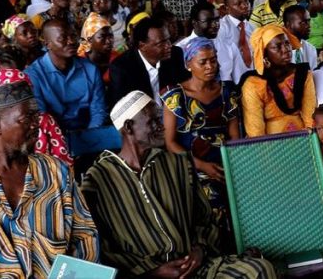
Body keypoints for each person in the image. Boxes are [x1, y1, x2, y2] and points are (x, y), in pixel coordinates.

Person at [81, 92, 278, 276]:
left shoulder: (178, 164)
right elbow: (100, 248)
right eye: (154, 121)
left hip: (195, 266)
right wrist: (153, 273)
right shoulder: (98, 180)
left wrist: (199, 250)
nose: (162, 126)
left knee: (258, 270)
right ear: (129, 128)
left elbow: (205, 220)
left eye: (160, 119)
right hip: (147, 276)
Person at [0, 72, 99, 277]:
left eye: (36, 116)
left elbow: (85, 237)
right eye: (27, 118)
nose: (37, 124)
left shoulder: (56, 172)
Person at [162, 36, 239, 233]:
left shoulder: (226, 92)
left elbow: (234, 136)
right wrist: (203, 165)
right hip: (191, 166)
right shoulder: (175, 97)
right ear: (189, 64)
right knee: (210, 202)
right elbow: (170, 143)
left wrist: (233, 166)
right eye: (202, 62)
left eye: (213, 60)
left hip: (225, 163)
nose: (210, 66)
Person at [25, 19, 120, 159]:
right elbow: (42, 118)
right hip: (54, 138)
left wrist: (89, 139)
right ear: (47, 44)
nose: (70, 41)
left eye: (73, 36)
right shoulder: (33, 75)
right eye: (63, 38)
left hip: (90, 132)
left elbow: (98, 110)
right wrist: (62, 144)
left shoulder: (90, 69)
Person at [241, 23, 317, 136]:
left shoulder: (303, 74)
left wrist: (310, 142)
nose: (286, 49)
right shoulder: (254, 83)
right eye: (277, 47)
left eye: (287, 43)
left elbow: (310, 116)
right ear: (265, 54)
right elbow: (255, 130)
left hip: (302, 139)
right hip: (270, 146)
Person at [214, 0, 255, 86]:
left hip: (254, 78)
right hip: (233, 82)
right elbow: (223, 62)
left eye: (246, 1)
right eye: (238, 4)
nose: (245, 6)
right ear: (227, 8)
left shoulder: (252, 28)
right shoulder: (222, 29)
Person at [77, 12, 118, 85]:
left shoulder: (117, 58)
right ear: (90, 40)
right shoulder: (79, 64)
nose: (108, 41)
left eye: (110, 36)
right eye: (102, 37)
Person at [282, 4, 319, 69]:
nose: (309, 26)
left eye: (309, 21)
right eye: (303, 23)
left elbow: (312, 74)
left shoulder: (311, 49)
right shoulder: (279, 51)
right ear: (289, 25)